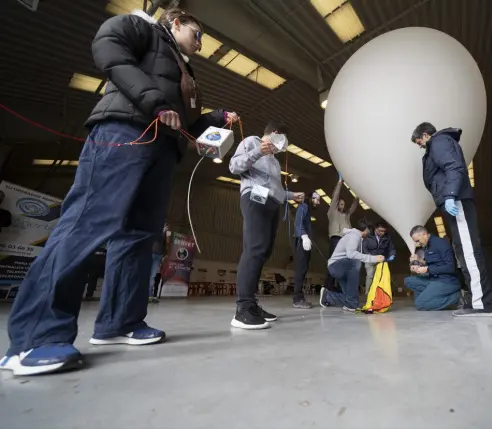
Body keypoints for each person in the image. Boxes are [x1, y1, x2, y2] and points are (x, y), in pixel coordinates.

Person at [0, 8, 240, 376]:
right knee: (88, 220)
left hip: (163, 149)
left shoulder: (184, 70)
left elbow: (186, 122)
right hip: (126, 131)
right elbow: (108, 47)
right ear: (176, 21)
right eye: (197, 33)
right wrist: (155, 102)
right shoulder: (143, 28)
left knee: (139, 236)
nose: (201, 43)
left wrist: (216, 117)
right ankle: (34, 336)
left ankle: (119, 322)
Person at [411, 122, 492, 317]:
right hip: (455, 199)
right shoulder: (441, 143)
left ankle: (481, 304)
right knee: (474, 251)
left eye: (419, 141)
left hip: (456, 201)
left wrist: (450, 195)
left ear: (425, 134)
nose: (420, 145)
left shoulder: (439, 142)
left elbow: (453, 167)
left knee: (468, 252)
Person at [229, 120, 304, 330]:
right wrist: (258, 152)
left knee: (264, 250)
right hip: (254, 197)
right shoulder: (251, 142)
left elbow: (274, 188)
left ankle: (252, 304)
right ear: (276, 134)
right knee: (254, 248)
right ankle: (242, 309)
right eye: (284, 140)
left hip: (272, 202)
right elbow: (234, 167)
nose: (284, 145)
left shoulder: (275, 161)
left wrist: (291, 195)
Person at [319, 220, 384, 312]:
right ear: (367, 230)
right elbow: (351, 254)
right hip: (337, 266)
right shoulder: (355, 235)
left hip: (343, 267)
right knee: (356, 262)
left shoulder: (357, 237)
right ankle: (350, 304)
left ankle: (328, 296)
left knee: (350, 299)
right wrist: (373, 258)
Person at [404, 226, 461, 310]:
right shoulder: (426, 246)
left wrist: (427, 269)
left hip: (447, 281)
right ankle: (430, 297)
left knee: (420, 304)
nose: (417, 244)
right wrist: (419, 261)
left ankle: (458, 298)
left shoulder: (441, 243)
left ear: (424, 234)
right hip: (433, 278)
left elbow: (450, 267)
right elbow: (433, 263)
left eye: (417, 241)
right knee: (408, 281)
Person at [323, 177, 359, 292]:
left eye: (344, 204)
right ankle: (328, 285)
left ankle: (339, 285)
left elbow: (354, 206)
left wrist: (358, 194)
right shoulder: (332, 212)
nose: (342, 206)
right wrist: (339, 183)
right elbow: (335, 198)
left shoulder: (346, 215)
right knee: (334, 261)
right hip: (335, 239)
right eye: (341, 204)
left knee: (344, 263)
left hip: (346, 241)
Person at [292, 191, 321, 309]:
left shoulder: (308, 210)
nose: (318, 202)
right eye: (316, 199)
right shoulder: (303, 206)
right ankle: (297, 299)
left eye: (319, 200)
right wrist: (304, 236)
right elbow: (298, 223)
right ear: (310, 198)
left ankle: (299, 297)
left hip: (305, 242)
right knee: (301, 269)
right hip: (301, 241)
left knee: (303, 270)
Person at [362, 222, 396, 295]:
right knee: (370, 276)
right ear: (376, 229)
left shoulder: (387, 237)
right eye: (380, 231)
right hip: (370, 259)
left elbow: (391, 248)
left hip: (381, 259)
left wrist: (392, 255)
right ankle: (368, 293)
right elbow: (364, 247)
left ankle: (382, 294)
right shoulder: (368, 236)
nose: (382, 233)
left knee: (382, 276)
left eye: (384, 231)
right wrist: (368, 256)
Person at [149, 224, 171, 303]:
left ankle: (150, 295)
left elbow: (168, 243)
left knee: (152, 276)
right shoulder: (154, 227)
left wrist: (167, 234)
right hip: (149, 252)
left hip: (158, 254)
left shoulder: (166, 231)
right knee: (146, 275)